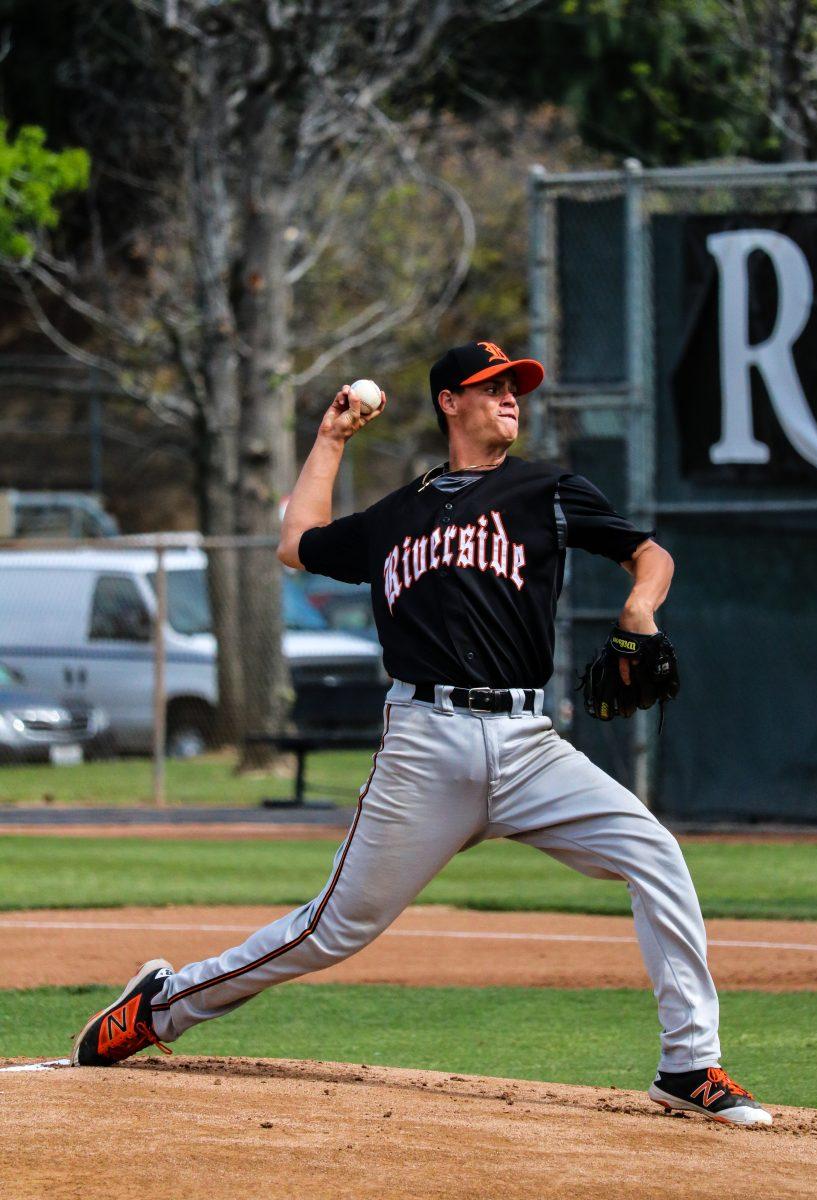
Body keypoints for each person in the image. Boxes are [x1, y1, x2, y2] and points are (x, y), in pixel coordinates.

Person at [70, 339, 771, 1127]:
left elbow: (648, 553)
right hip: (424, 743)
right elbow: (295, 542)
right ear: (449, 401)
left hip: (526, 742)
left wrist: (639, 609)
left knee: (656, 856)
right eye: (492, 386)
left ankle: (687, 1064)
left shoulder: (548, 489)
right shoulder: (395, 516)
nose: (511, 397)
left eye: (516, 386)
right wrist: (331, 439)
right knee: (332, 930)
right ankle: (162, 1006)